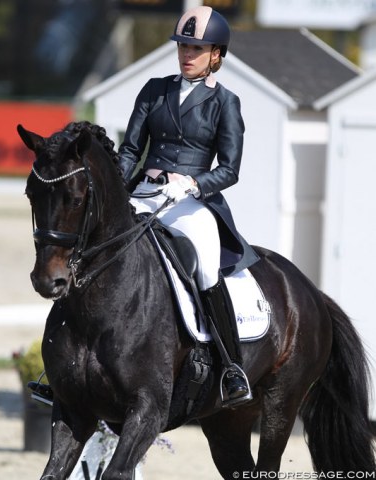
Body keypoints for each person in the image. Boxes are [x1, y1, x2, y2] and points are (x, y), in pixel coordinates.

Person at [117, 6, 259, 407]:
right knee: (97, 247)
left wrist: (195, 184)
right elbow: (130, 150)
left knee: (207, 266)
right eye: (183, 46)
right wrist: (118, 188)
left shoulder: (225, 103)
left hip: (191, 200)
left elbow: (230, 169)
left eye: (196, 48)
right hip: (144, 192)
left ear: (216, 54)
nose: (186, 54)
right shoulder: (154, 90)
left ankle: (232, 368)